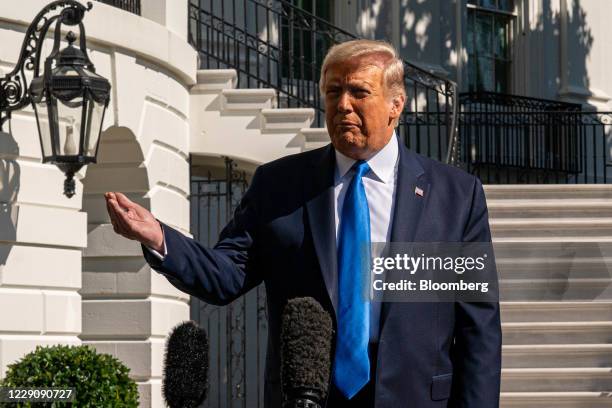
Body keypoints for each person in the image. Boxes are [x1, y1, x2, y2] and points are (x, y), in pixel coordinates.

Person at [106, 39, 501, 407]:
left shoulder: (453, 197)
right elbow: (227, 275)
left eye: (359, 92)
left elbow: (476, 330)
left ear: (396, 104)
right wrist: (160, 238)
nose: (343, 105)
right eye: (333, 92)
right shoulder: (280, 186)